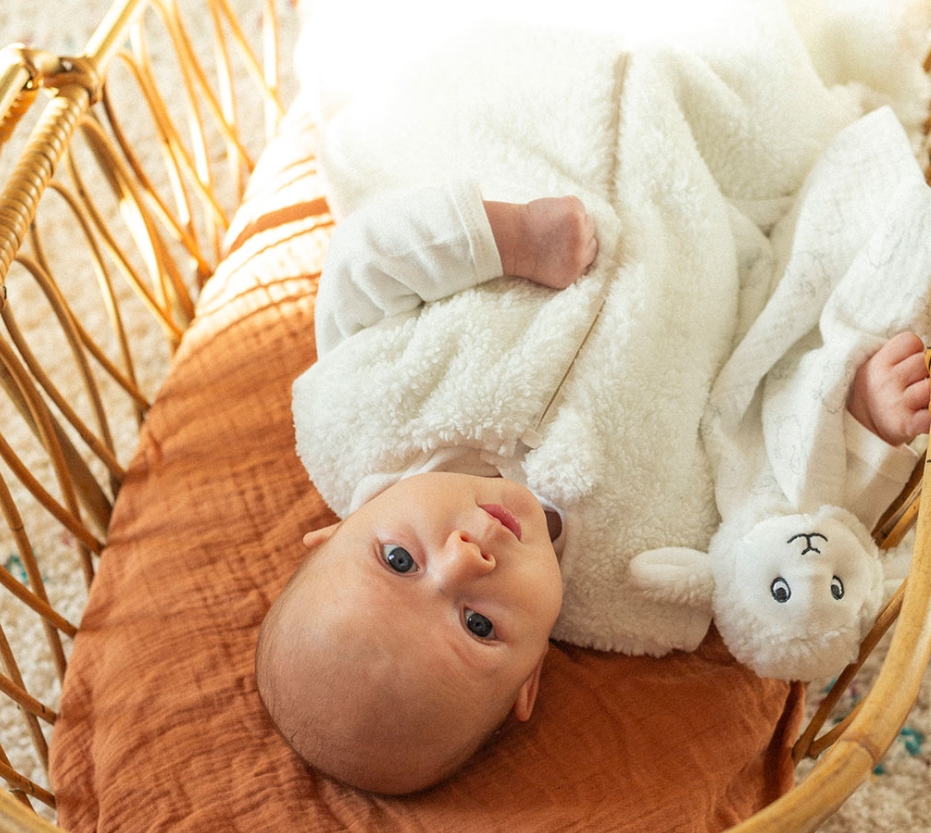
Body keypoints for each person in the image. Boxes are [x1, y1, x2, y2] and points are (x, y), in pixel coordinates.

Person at [256, 179, 929, 796]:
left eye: (398, 561)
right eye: (478, 624)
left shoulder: (361, 417)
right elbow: (779, 521)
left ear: (333, 531)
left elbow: (363, 266)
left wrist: (506, 236)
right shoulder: (641, 583)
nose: (467, 557)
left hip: (539, 164)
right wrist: (856, 422)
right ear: (531, 678)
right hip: (709, 234)